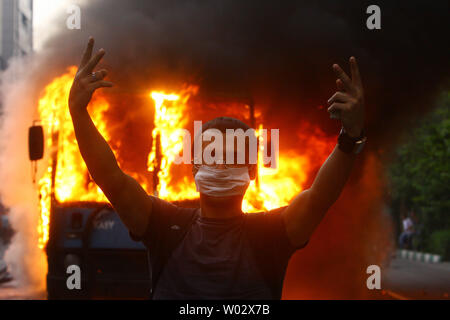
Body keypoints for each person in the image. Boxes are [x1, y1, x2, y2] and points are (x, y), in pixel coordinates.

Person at [68, 37, 367, 299]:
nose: (222, 162)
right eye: (213, 154)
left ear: (252, 171)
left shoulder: (272, 233)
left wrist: (351, 137)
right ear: (194, 168)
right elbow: (111, 178)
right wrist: (78, 113)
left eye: (234, 155)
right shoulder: (162, 226)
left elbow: (320, 196)